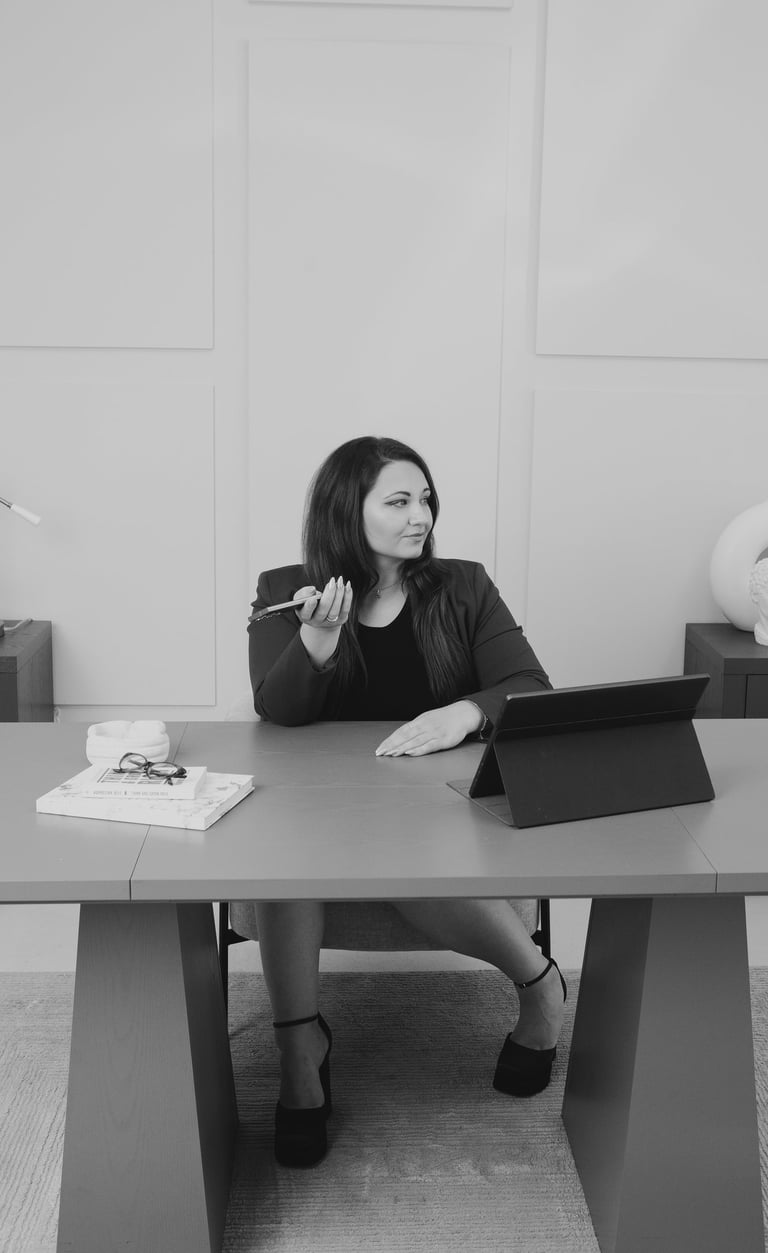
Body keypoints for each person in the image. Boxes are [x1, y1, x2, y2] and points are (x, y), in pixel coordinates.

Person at [247, 436, 567, 1168]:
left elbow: (530, 686)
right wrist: (318, 640)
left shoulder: (464, 586)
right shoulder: (286, 589)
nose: (420, 515)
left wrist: (465, 712)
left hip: (435, 810)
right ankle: (300, 1051)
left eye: (425, 499)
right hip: (320, 810)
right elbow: (278, 712)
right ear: (347, 509)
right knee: (283, 856)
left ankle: (540, 987)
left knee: (401, 853)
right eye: (398, 501)